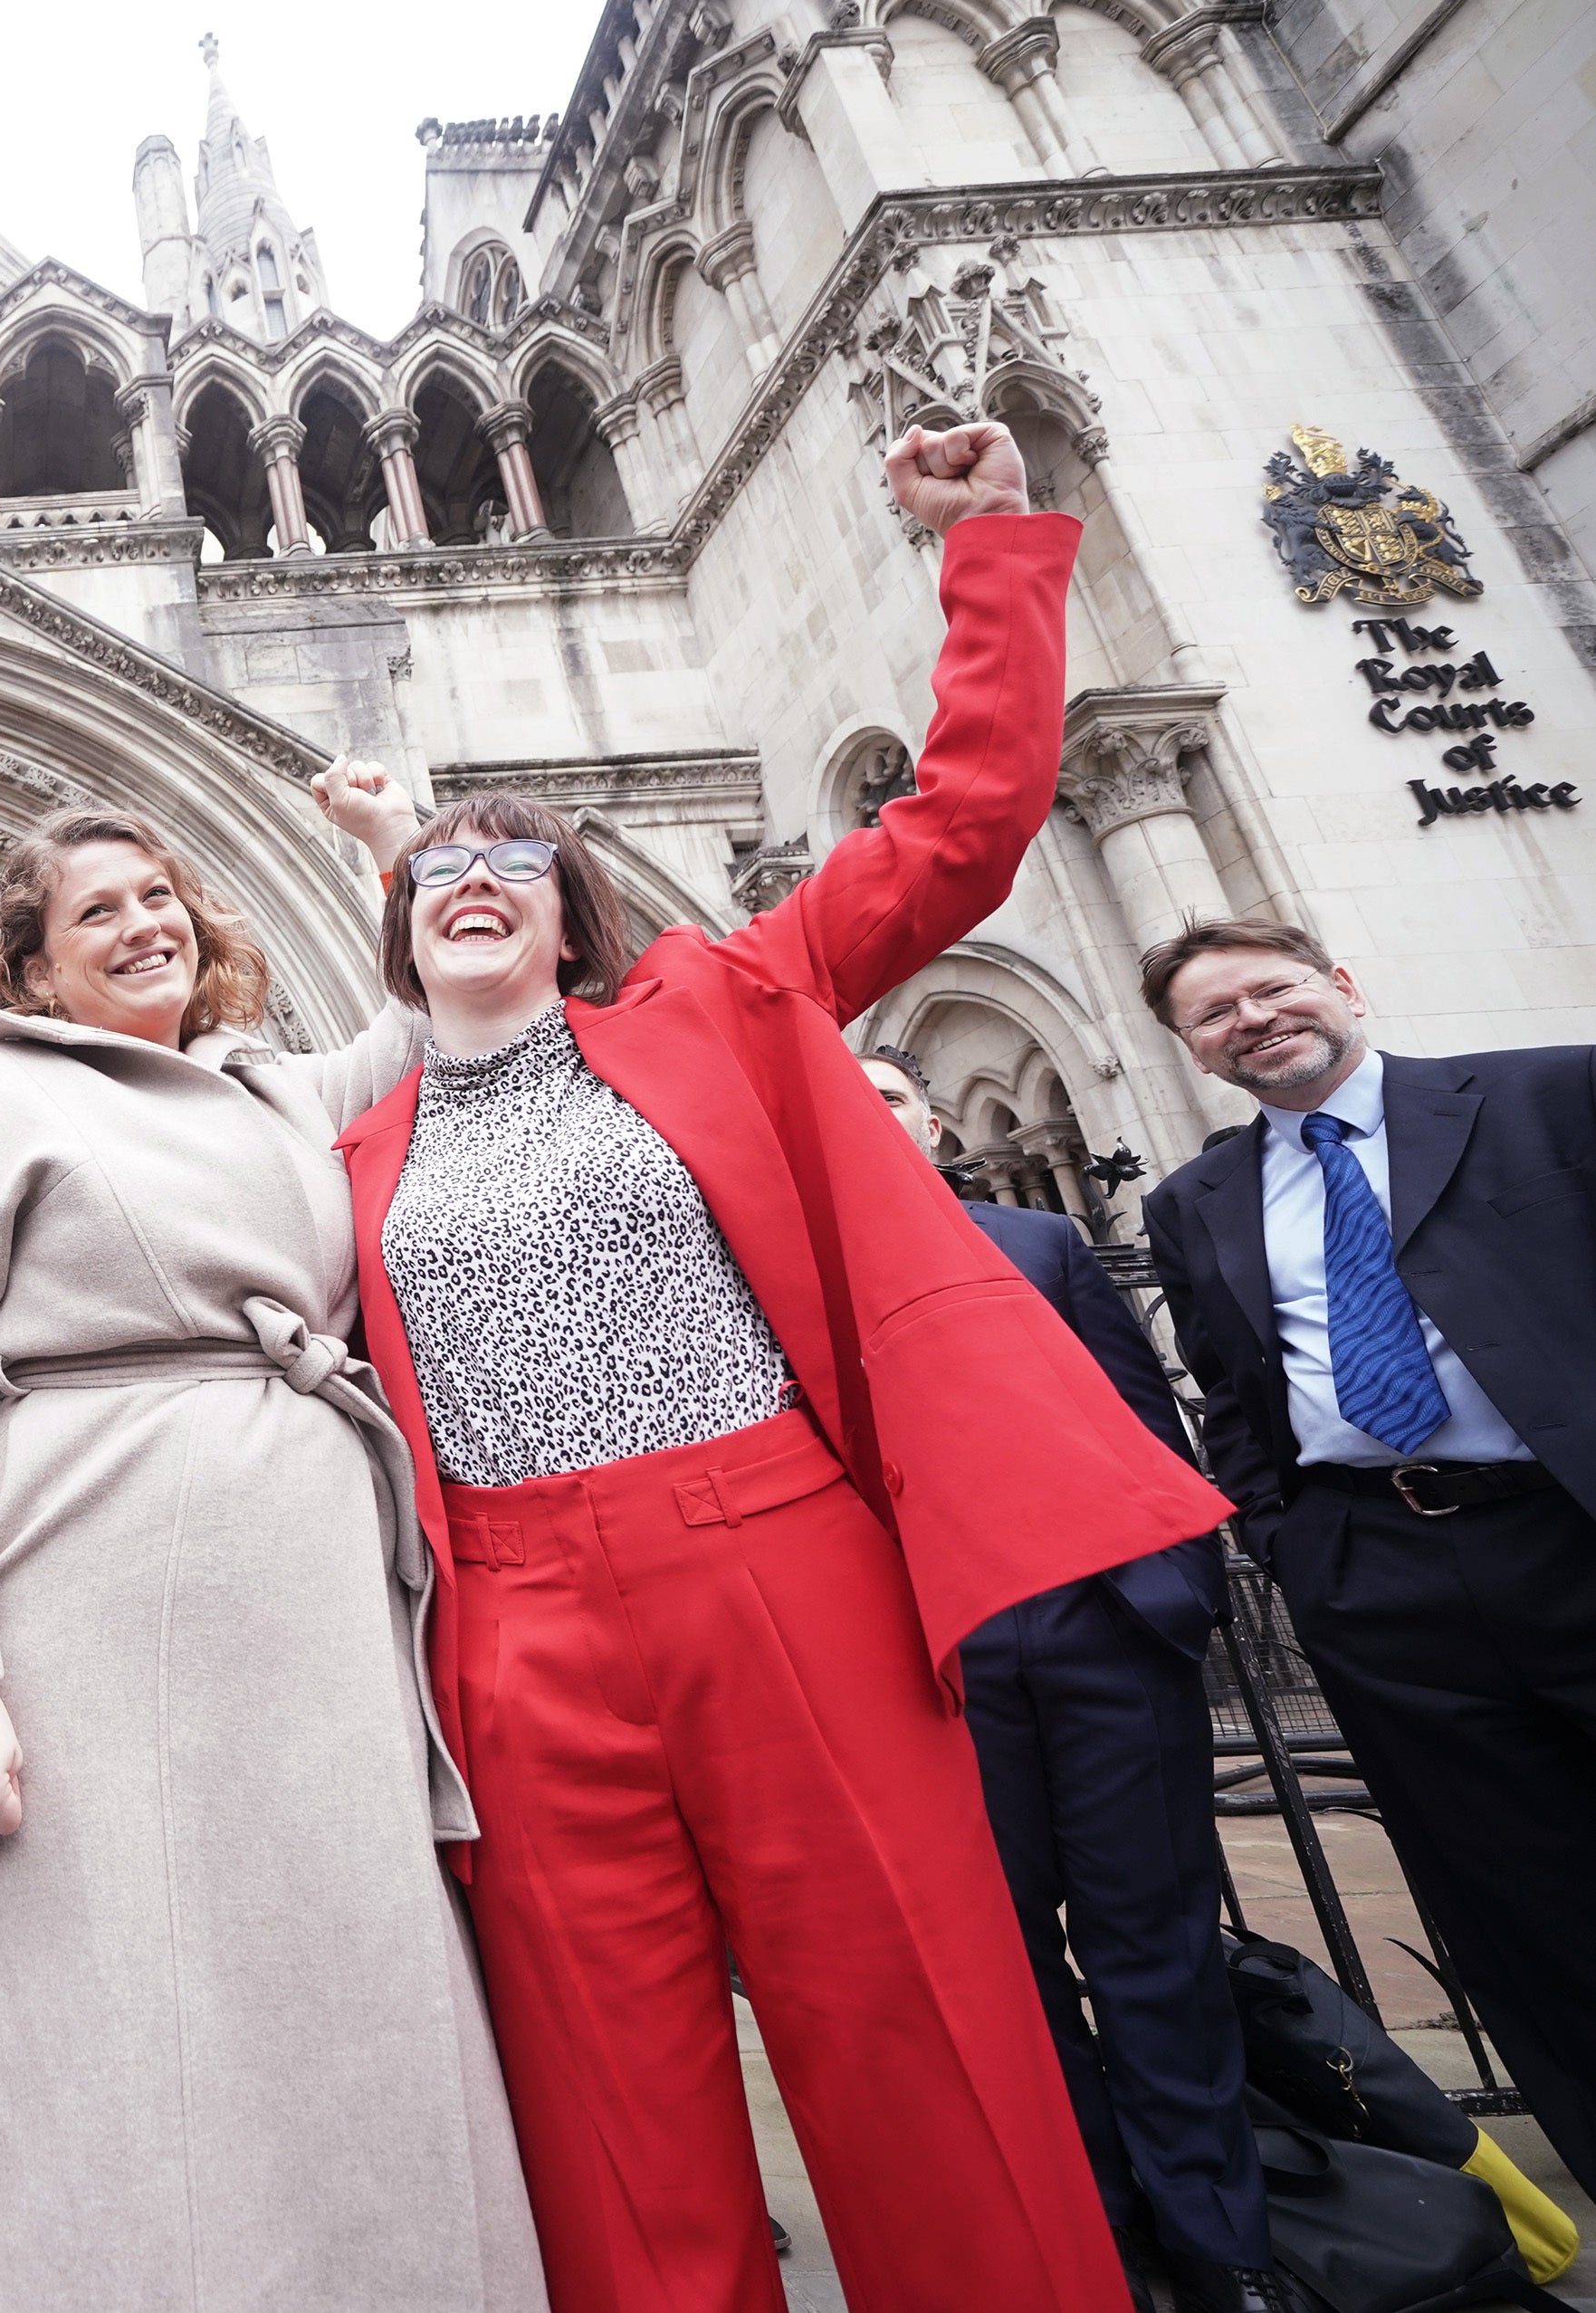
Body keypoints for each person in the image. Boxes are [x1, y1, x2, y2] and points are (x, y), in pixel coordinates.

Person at [332, 423, 1229, 2313]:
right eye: (436, 874)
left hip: (771, 1551)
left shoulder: (713, 1006)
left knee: (915, 2031)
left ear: (572, 920)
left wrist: (981, 544)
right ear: (399, 941)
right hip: (506, 1614)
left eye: (515, 863)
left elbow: (966, 821)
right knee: (609, 2111)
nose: (473, 881)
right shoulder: (350, 1146)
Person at [0, 804, 550, 2312]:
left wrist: (388, 832)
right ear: (25, 965)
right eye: (94, 913)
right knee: (87, 2025)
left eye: (159, 894)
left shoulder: (283, 1091)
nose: (142, 924)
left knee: (331, 1998)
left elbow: (450, 977)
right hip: (70, 1590)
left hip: (312, 1614)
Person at [1138, 917, 1596, 2196]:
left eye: (1268, 990)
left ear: (1338, 986)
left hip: (1568, 1528)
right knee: (1518, 1901)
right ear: (1188, 1048)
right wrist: (1289, 1546)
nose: (1249, 1020)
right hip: (1379, 1573)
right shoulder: (1192, 1201)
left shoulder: (1546, 1092)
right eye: (1211, 1014)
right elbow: (1231, 1394)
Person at [859, 1047, 1278, 2313]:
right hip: (927, 1661)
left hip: (1098, 1630)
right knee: (1003, 1968)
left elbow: (1143, 1423)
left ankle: (1219, 2245)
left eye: (880, 1095)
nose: (860, 1117)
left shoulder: (1036, 1245)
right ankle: (1090, 2234)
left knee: (1153, 1945)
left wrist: (1172, 1600)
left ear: (929, 1122)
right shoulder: (770, 1272)